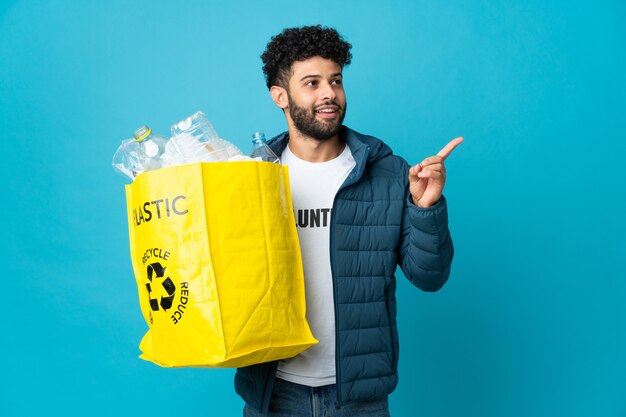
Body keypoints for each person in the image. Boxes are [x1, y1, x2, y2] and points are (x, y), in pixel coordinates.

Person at [236, 25, 462, 417]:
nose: (329, 93)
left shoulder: (389, 172)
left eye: (335, 81)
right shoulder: (252, 176)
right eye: (312, 83)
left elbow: (430, 277)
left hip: (361, 397)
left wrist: (426, 209)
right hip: (275, 392)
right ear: (280, 96)